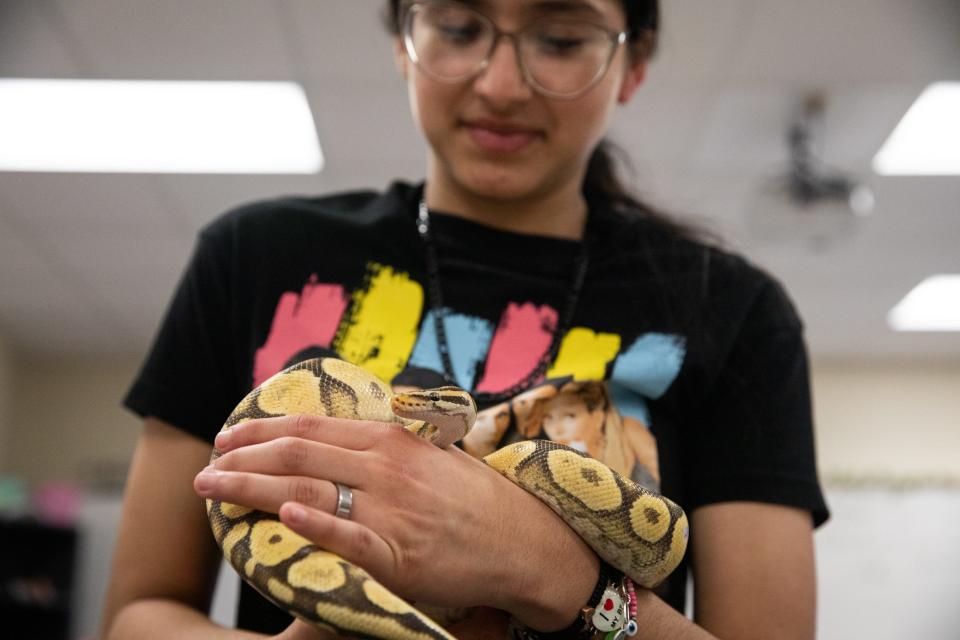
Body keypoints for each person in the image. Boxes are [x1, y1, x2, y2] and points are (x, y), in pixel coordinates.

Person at [101, 1, 829, 639]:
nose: (501, 85)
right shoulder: (252, 256)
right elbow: (139, 613)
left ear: (632, 64)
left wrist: (546, 571)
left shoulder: (736, 312)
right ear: (402, 40)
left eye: (562, 37)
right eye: (456, 25)